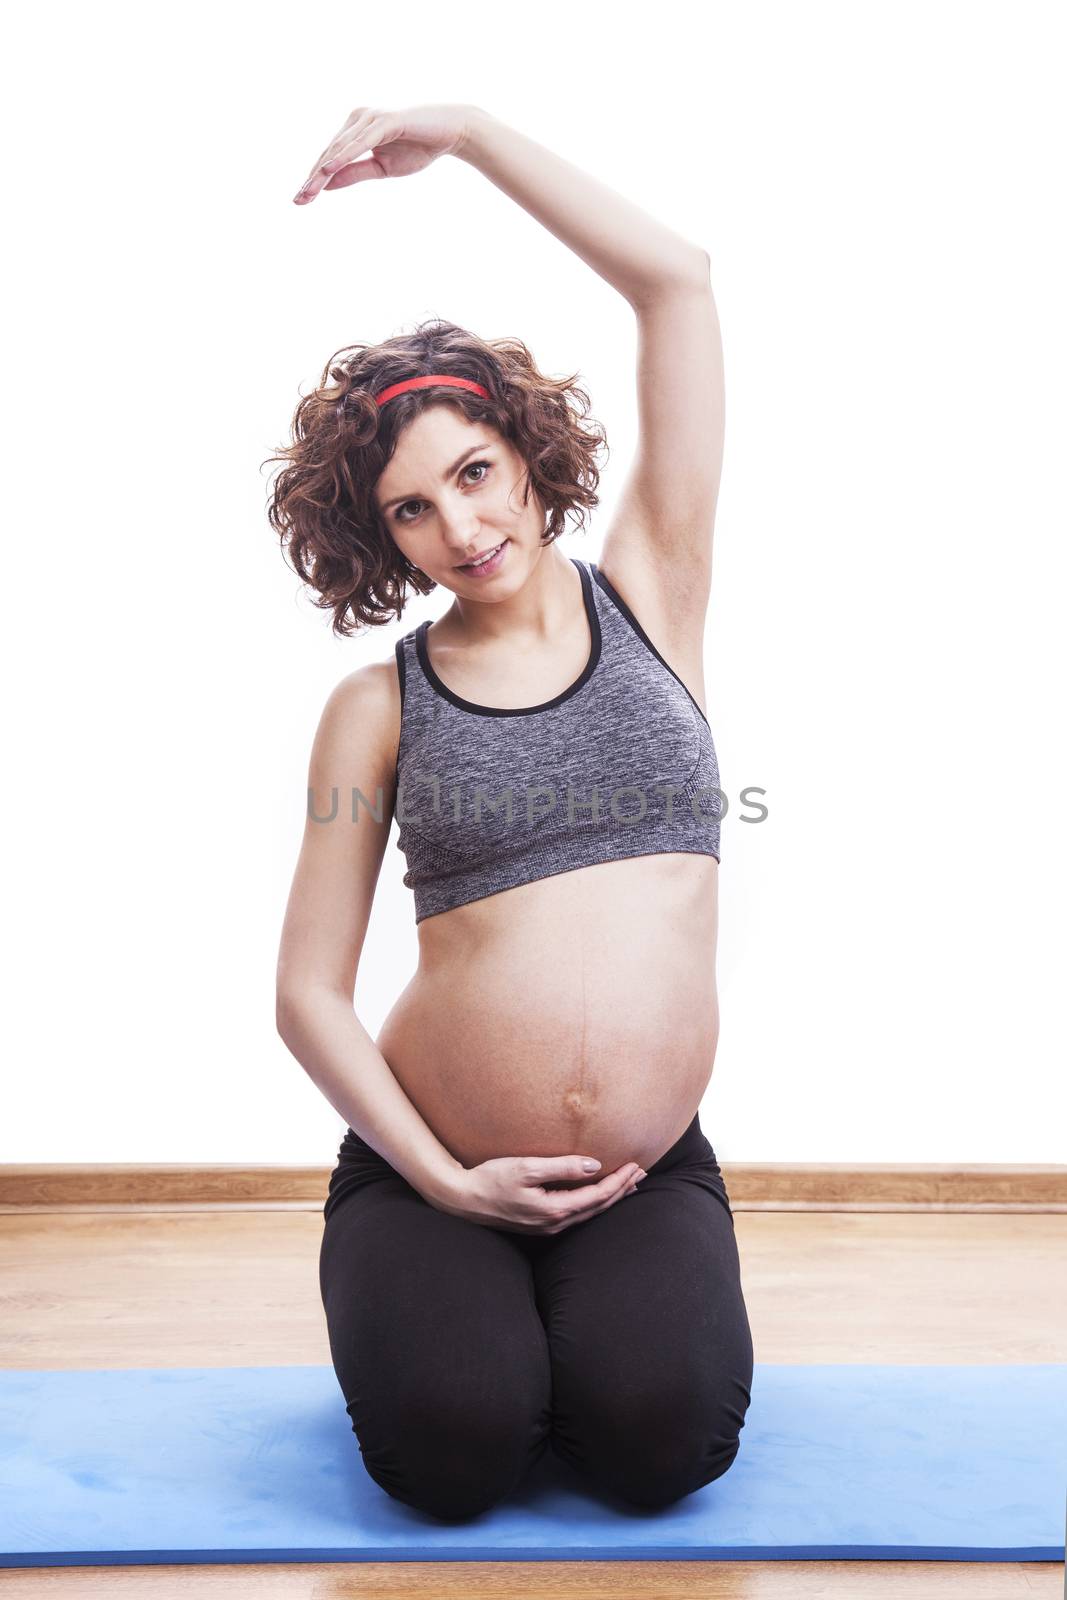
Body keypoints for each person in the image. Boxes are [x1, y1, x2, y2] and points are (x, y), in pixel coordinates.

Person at [270, 103, 753, 1522]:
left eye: (473, 473)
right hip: (428, 1170)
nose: (460, 527)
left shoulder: (653, 591)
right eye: (412, 510)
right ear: (382, 535)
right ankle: (459, 1304)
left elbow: (679, 283)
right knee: (453, 1461)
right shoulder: (379, 706)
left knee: (666, 1447)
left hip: (642, 1172)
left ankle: (582, 1328)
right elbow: (307, 993)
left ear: (529, 456)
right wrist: (442, 1179)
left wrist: (467, 136)